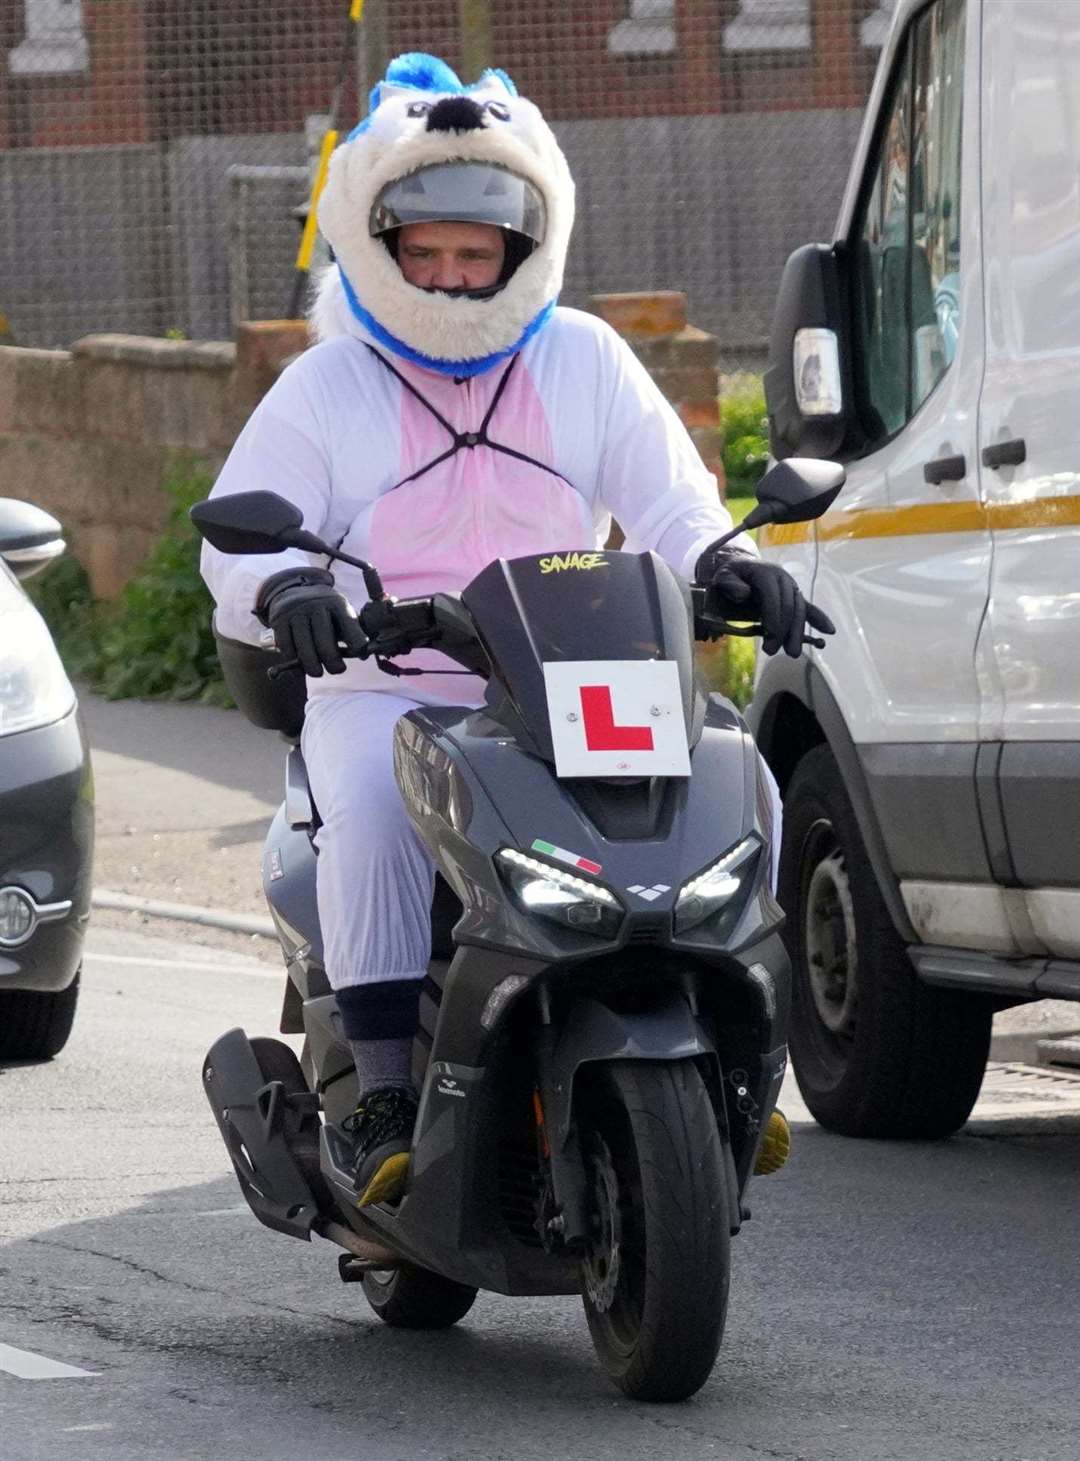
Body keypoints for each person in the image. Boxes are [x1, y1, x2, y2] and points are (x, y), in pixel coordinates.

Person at [201, 52, 832, 1207]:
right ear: (381, 249)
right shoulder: (330, 383)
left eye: (473, 252)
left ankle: (749, 1062)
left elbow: (675, 501)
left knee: (749, 783)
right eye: (425, 252)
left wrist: (734, 564)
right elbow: (242, 541)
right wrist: (292, 590)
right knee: (382, 812)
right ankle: (381, 1089)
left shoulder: (584, 356)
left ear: (519, 248)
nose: (448, 276)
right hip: (392, 680)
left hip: (583, 674)